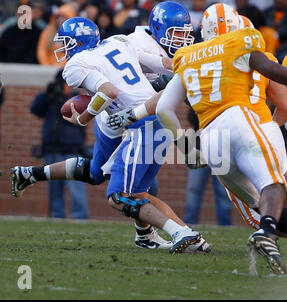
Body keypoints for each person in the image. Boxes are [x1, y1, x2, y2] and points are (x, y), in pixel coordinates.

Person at [155, 3, 287, 274]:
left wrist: (185, 148)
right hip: (244, 121)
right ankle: (271, 230)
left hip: (211, 137)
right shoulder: (242, 42)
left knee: (263, 205)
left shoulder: (188, 55)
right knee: (273, 185)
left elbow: (163, 109)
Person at [11, 2, 210, 254]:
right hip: (157, 119)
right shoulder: (118, 43)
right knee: (125, 187)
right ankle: (170, 234)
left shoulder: (76, 65)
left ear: (77, 43)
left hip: (140, 124)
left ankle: (182, 233)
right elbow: (167, 64)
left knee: (120, 195)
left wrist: (83, 118)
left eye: (66, 43)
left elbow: (108, 91)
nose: (61, 48)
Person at [30, 69, 88, 219]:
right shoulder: (50, 97)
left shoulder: (77, 98)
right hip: (52, 149)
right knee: (54, 189)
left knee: (77, 190)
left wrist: (64, 98)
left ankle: (80, 218)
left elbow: (71, 114)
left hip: (73, 150)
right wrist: (47, 95)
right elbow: (36, 110)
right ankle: (57, 217)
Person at [184, 108, 232, 226]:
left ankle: (225, 225)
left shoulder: (225, 103)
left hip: (222, 152)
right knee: (194, 189)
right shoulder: (198, 101)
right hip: (200, 149)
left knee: (223, 191)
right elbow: (191, 124)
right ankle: (190, 223)